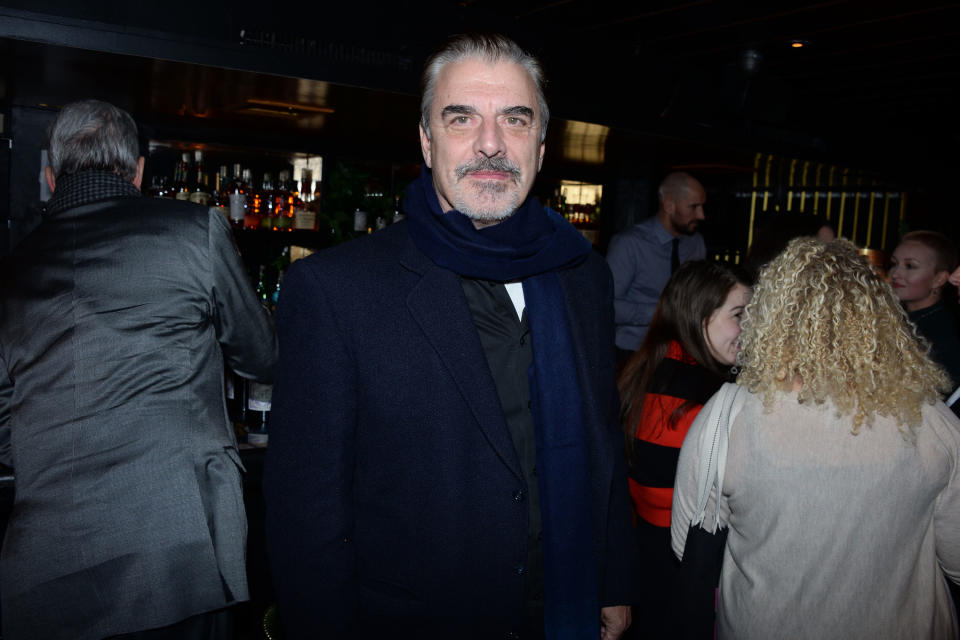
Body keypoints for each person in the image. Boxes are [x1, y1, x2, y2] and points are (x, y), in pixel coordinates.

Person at [264, 34, 635, 640]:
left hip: (563, 610)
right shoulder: (337, 290)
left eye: (515, 119)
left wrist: (613, 580)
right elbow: (306, 519)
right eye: (461, 118)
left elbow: (604, 442)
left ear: (541, 144)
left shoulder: (582, 275)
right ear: (426, 139)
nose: (491, 144)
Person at [0, 100, 277, 640]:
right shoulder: (195, 232)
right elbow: (261, 356)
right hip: (177, 549)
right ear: (139, 170)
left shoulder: (9, 275)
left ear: (51, 178)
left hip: (44, 568)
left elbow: (4, 431)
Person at [672, 237, 960, 639]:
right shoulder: (930, 420)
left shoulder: (730, 414)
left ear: (771, 315)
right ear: (880, 318)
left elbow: (688, 542)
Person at [617, 261, 748, 639]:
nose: (750, 328)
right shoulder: (700, 396)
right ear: (699, 315)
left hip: (645, 561)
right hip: (680, 570)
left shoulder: (648, 369)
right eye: (739, 314)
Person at [606, 172, 707, 364]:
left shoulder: (696, 243)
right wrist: (662, 314)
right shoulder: (630, 244)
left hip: (683, 354)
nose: (701, 215)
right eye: (694, 207)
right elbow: (607, 304)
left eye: (702, 206)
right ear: (669, 205)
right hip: (632, 353)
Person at [889, 230, 960, 389]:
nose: (896, 274)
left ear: (939, 279)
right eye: (894, 264)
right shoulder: (892, 316)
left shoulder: (942, 332)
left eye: (910, 266)